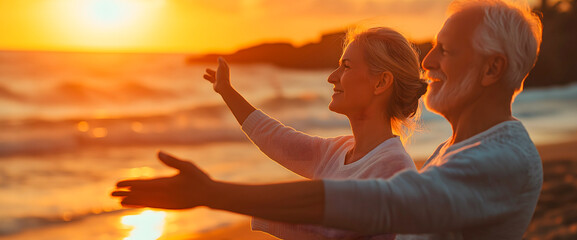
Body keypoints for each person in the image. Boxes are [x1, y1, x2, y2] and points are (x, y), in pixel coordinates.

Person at [112, 0, 544, 239]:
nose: (427, 60)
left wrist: (214, 193)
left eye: (445, 50)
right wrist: (228, 93)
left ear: (492, 70)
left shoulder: (503, 161)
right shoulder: (450, 152)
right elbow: (285, 142)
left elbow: (384, 205)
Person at [191, 27, 429, 239]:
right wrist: (226, 91)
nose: (331, 77)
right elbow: (277, 139)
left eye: (346, 66)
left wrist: (216, 195)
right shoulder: (339, 151)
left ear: (381, 83)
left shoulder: (394, 168)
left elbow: (326, 229)